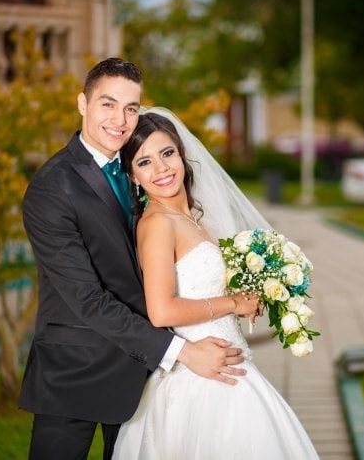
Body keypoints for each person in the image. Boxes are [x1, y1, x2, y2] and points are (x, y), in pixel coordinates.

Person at [18, 58, 260, 460]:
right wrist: (182, 352)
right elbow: (88, 300)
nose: (121, 119)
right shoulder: (51, 189)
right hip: (78, 372)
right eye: (108, 104)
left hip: (144, 377)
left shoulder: (138, 171)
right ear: (82, 104)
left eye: (131, 107)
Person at [112, 108, 319, 459]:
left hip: (230, 363)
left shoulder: (191, 216)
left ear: (181, 153)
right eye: (144, 162)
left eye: (167, 153)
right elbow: (161, 311)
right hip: (199, 379)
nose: (161, 169)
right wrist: (233, 303)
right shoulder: (158, 224)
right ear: (132, 175)